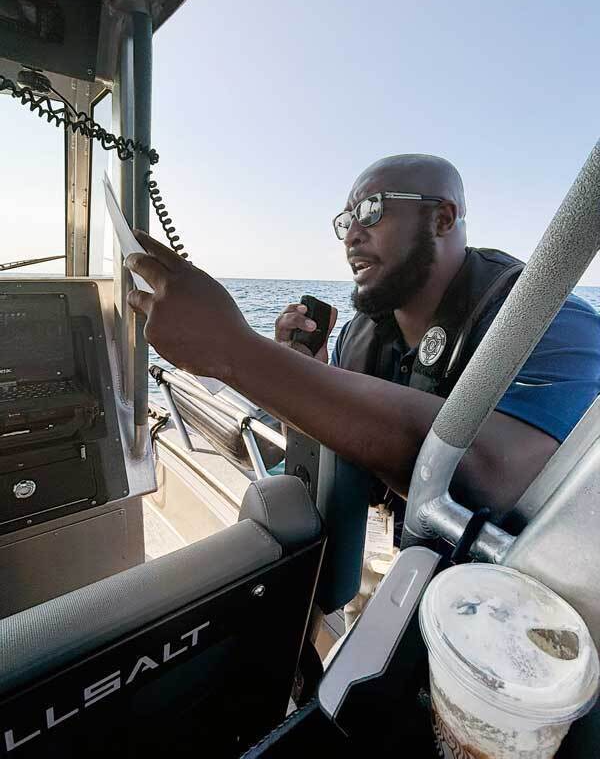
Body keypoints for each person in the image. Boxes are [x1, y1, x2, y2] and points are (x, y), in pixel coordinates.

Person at [125, 158, 600, 533]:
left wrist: (235, 352)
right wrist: (299, 370)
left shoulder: (553, 320)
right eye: (346, 220)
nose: (352, 235)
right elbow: (336, 451)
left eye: (372, 210)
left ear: (442, 218)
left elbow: (499, 479)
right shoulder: (359, 336)